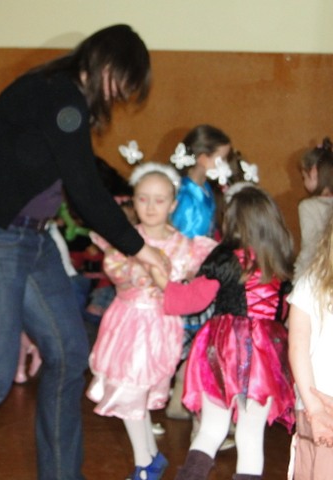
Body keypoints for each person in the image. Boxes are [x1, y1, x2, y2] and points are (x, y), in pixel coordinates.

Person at [0, 25, 169, 480]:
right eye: (120, 83)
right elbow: (85, 191)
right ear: (103, 63)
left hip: (30, 237)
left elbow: (83, 176)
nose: (117, 96)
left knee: (69, 354)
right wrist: (142, 250)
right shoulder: (58, 94)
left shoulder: (62, 98)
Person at [151, 184, 295, 480]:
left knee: (211, 428)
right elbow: (283, 313)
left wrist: (163, 282)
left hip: (224, 349)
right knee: (251, 434)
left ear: (233, 222)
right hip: (264, 356)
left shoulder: (225, 258)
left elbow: (191, 301)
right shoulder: (280, 263)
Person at [86, 163, 216, 480]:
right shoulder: (125, 239)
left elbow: (182, 282)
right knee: (130, 390)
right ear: (133, 201)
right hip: (125, 322)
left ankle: (147, 462)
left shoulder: (184, 245)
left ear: (172, 204)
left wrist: (161, 276)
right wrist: (139, 270)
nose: (150, 207)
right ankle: (147, 461)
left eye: (159, 200)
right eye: (143, 199)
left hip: (160, 326)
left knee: (135, 391)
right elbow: (117, 271)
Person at [166, 124, 232, 421]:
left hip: (203, 271)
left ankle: (181, 394)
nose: (225, 164)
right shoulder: (186, 193)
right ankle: (176, 393)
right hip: (186, 273)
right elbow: (181, 237)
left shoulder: (206, 190)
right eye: (221, 158)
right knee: (184, 338)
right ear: (204, 157)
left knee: (199, 339)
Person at [287, 210, 333, 478]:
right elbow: (298, 349)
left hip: (313, 408)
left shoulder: (309, 283)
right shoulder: (310, 284)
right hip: (317, 411)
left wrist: (314, 408)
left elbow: (298, 349)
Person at [293, 137, 333, 279]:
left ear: (314, 173)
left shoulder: (307, 207)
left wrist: (298, 277)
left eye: (304, 177)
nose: (303, 182)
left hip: (318, 273)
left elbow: (309, 247)